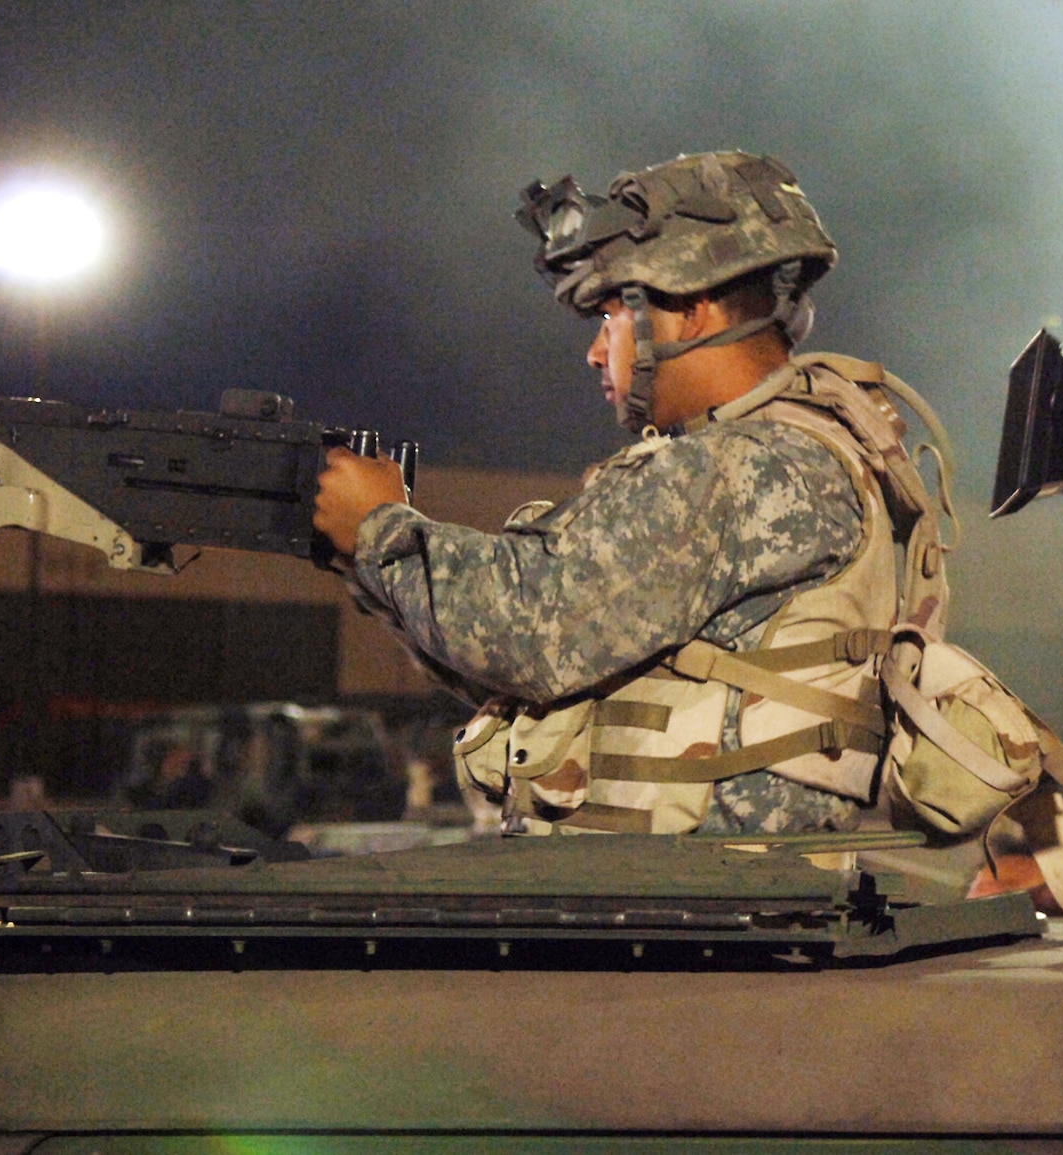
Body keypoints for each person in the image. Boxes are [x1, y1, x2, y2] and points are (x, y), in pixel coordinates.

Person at [312, 150, 943, 837]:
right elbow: (529, 668)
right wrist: (370, 556)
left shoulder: (735, 468)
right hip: (721, 888)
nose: (595, 352)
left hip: (686, 895)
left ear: (691, 310)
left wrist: (378, 528)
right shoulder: (811, 448)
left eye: (611, 317)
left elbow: (533, 630)